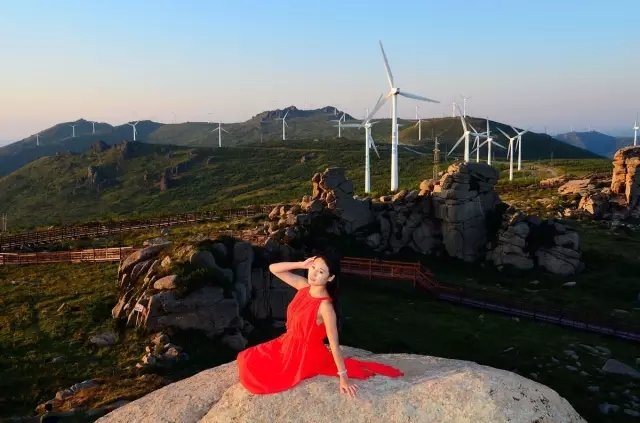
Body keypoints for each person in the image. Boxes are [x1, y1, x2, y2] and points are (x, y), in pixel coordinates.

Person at [237, 252, 403, 398]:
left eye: (321, 271)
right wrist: (300, 264)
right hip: (287, 342)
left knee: (261, 378)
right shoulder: (304, 286)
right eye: (313, 267)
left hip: (304, 354)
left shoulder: (325, 307)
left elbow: (334, 344)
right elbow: (273, 268)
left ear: (330, 278)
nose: (314, 274)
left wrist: (343, 377)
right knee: (247, 358)